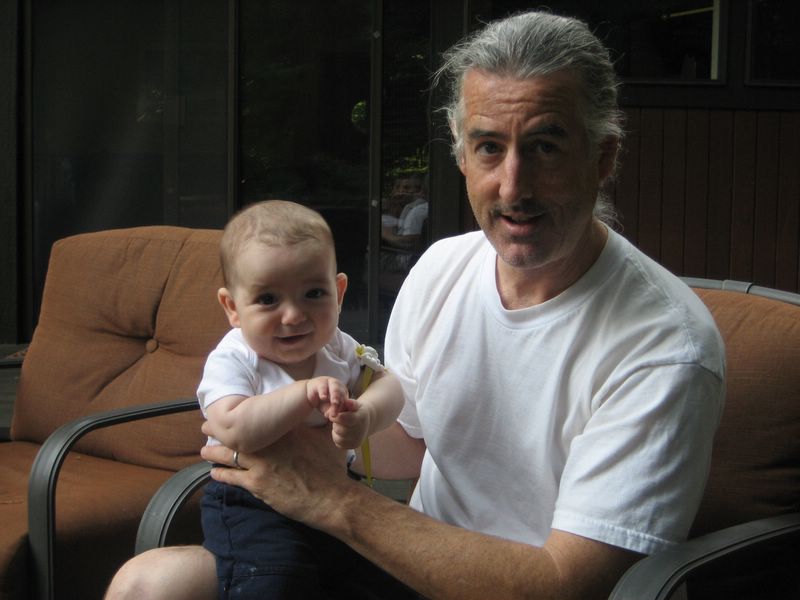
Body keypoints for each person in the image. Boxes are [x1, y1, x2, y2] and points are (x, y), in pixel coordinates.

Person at [106, 10, 725, 600]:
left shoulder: (665, 346)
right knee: (149, 585)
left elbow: (567, 586)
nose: (513, 186)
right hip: (410, 568)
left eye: (545, 147)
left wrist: (331, 498)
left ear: (603, 158)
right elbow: (405, 443)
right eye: (489, 147)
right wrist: (300, 430)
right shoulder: (442, 268)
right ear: (461, 158)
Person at [185, 199, 406, 599]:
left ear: (339, 292)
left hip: (335, 489)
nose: (293, 315)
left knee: (384, 576)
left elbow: (388, 385)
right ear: (232, 307)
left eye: (313, 293)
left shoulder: (338, 345)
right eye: (268, 299)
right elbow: (232, 427)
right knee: (277, 580)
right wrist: (301, 394)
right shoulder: (235, 358)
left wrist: (367, 414)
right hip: (251, 503)